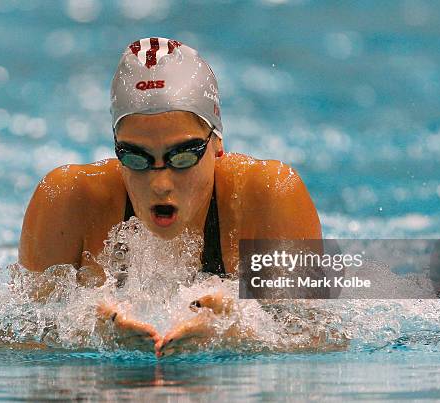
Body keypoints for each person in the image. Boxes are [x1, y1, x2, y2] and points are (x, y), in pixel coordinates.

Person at [18, 37, 322, 356]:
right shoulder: (67, 198)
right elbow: (16, 339)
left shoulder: (270, 195)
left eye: (183, 156)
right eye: (136, 157)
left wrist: (237, 334)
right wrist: (90, 337)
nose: (160, 183)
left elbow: (322, 340)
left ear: (217, 143)